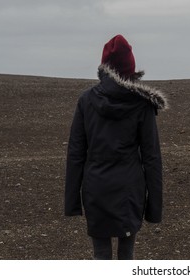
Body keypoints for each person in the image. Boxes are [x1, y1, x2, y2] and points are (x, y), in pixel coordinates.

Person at [64, 34, 167, 260]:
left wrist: (72, 201)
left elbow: (76, 153)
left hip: (96, 188)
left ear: (104, 67)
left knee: (101, 254)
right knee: (126, 254)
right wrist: (154, 207)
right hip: (129, 191)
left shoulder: (86, 100)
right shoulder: (142, 104)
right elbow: (151, 157)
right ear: (130, 67)